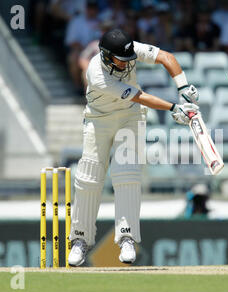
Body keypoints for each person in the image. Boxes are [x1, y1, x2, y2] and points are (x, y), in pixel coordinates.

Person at [67, 28, 200, 266]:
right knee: (89, 178)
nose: (127, 64)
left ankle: (127, 237)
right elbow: (139, 95)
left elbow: (166, 57)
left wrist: (183, 87)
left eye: (129, 58)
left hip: (130, 117)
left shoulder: (128, 50)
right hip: (99, 120)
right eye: (121, 60)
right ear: (107, 56)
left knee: (127, 174)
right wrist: (174, 108)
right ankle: (80, 240)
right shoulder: (97, 74)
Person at [65, 0, 102, 93]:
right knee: (74, 58)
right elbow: (70, 41)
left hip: (98, 52)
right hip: (82, 50)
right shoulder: (76, 21)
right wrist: (85, 50)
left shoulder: (102, 22)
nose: (92, 11)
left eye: (94, 8)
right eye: (90, 8)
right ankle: (77, 87)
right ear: (86, 8)